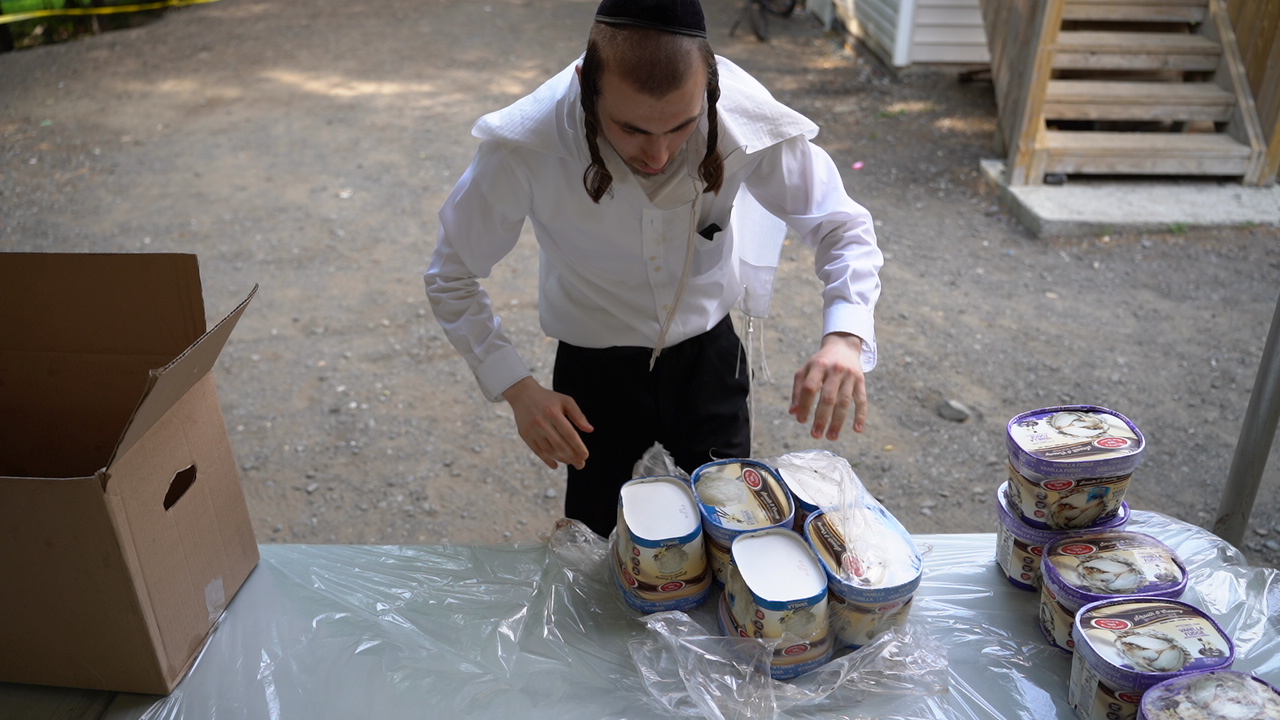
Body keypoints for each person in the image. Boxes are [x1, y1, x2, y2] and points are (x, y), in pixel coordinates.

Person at [425, 0, 882, 537]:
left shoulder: (741, 118)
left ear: (709, 83)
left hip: (709, 359)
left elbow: (840, 225)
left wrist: (844, 336)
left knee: (734, 531)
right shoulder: (527, 146)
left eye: (683, 126)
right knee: (598, 539)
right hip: (594, 372)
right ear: (586, 84)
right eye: (632, 129)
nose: (659, 155)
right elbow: (451, 274)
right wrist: (516, 387)